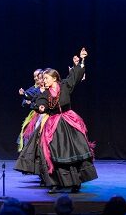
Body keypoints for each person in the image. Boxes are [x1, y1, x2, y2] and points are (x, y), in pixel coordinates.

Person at [22, 48, 98, 194]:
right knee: (52, 153)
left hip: (68, 121)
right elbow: (40, 104)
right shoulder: (44, 92)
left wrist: (82, 60)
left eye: (46, 78)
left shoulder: (64, 85)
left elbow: (75, 75)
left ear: (54, 78)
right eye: (43, 78)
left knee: (74, 150)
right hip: (53, 123)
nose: (44, 80)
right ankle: (55, 183)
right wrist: (41, 107)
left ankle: (76, 183)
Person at [17, 69, 44, 152]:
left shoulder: (44, 87)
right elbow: (24, 101)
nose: (36, 78)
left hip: (44, 113)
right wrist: (26, 101)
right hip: (35, 114)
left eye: (37, 76)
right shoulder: (31, 89)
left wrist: (27, 96)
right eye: (34, 76)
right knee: (28, 134)